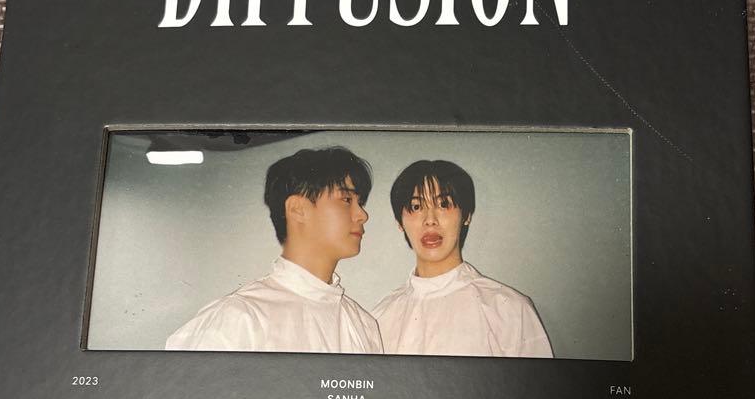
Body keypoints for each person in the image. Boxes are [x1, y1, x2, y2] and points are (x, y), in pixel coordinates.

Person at [166, 146, 383, 353]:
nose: (362, 215)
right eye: (346, 199)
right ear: (297, 209)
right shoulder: (238, 320)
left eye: (360, 202)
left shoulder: (363, 326)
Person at [372, 159, 553, 358]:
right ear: (399, 222)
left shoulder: (510, 310)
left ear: (466, 215)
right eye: (416, 207)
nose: (430, 220)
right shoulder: (379, 318)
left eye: (443, 204)